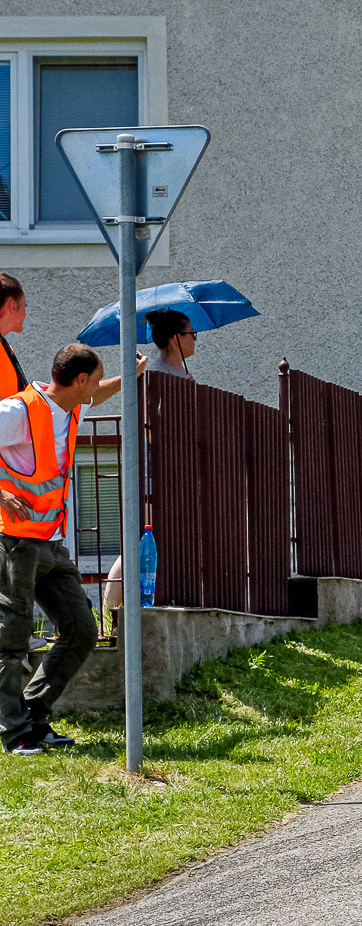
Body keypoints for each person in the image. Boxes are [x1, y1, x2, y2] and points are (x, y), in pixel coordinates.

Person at [0, 344, 105, 754]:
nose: (96, 389)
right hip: (15, 542)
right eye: (95, 381)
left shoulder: (72, 408)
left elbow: (100, 393)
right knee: (11, 638)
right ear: (79, 380)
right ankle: (14, 732)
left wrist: (130, 375)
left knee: (82, 629)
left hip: (51, 543)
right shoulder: (19, 411)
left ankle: (33, 714)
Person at [0, 272, 145, 401]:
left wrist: (128, 377)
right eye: (25, 306)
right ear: (13, 306)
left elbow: (71, 397)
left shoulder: (6, 348)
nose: (26, 313)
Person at [144, 309, 197, 380]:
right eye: (192, 333)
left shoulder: (182, 372)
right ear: (177, 338)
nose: (195, 339)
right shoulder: (157, 374)